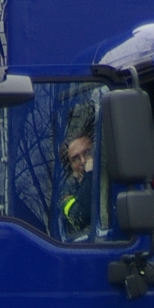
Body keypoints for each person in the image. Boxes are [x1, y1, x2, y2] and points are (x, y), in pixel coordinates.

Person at [58, 103, 96, 240]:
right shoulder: (67, 189)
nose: (83, 161)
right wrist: (90, 175)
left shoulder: (110, 175)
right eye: (75, 159)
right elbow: (79, 215)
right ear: (71, 165)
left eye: (87, 153)